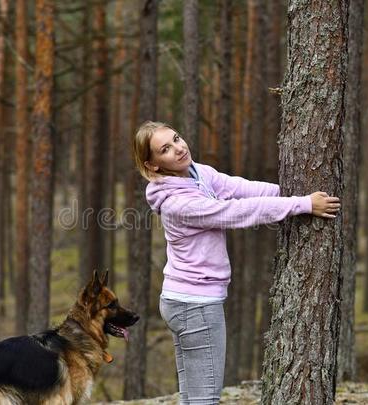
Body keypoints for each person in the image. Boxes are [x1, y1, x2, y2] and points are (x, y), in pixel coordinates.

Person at [132, 121, 340, 404]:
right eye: (165, 149)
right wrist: (301, 204)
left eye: (177, 138)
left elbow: (238, 188)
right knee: (205, 399)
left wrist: (289, 192)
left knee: (192, 398)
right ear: (153, 165)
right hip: (195, 306)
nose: (179, 148)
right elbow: (236, 211)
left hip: (184, 300)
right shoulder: (178, 203)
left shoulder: (197, 173)